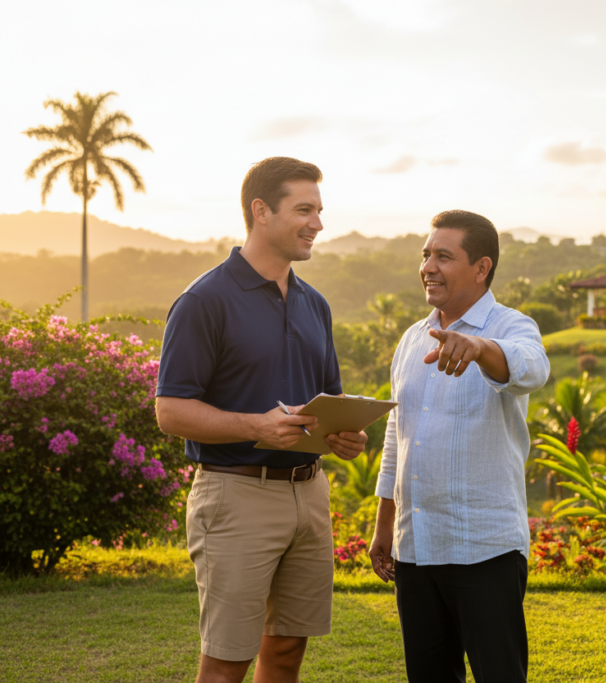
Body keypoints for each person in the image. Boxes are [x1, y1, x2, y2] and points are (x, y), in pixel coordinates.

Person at [155, 157, 368, 683]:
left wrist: (344, 435)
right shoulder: (204, 300)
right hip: (235, 496)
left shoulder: (314, 304)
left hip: (309, 494)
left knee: (289, 647)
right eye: (304, 209)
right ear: (261, 211)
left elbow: (328, 400)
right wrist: (255, 426)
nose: (318, 222)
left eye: (319, 210)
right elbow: (170, 411)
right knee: (228, 660)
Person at [369, 210, 550, 683]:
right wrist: (384, 526)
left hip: (485, 549)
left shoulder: (512, 326)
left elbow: (532, 368)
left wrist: (481, 348)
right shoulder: (410, 340)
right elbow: (397, 438)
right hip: (416, 549)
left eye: (443, 256)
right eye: (426, 254)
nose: (428, 266)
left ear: (482, 267)